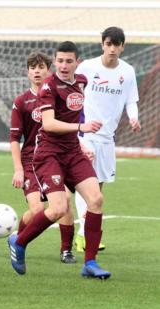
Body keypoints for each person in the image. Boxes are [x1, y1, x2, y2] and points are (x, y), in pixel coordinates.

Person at [8, 41, 111, 279]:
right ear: (55, 62)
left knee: (96, 199)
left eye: (69, 61)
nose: (64, 65)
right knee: (58, 208)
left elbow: (76, 107)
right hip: (48, 153)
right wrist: (81, 127)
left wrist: (81, 142)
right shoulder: (48, 86)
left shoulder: (82, 81)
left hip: (73, 151)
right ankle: (20, 242)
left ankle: (90, 263)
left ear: (77, 62)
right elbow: (49, 124)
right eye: (60, 61)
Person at [73, 26, 141, 252]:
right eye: (108, 43)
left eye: (116, 44)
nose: (112, 48)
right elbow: (73, 94)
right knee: (87, 186)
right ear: (102, 44)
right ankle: (83, 236)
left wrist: (133, 118)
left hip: (107, 139)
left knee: (97, 190)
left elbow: (131, 100)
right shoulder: (87, 67)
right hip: (85, 135)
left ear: (122, 47)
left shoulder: (128, 72)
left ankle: (85, 233)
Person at [10, 52, 77, 264]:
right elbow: (14, 138)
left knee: (65, 200)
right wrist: (18, 169)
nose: (36, 71)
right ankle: (19, 241)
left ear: (49, 70)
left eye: (41, 67)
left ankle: (66, 250)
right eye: (32, 67)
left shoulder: (58, 96)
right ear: (27, 72)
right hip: (31, 162)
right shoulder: (22, 101)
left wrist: (81, 145)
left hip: (54, 157)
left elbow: (67, 128)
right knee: (37, 209)